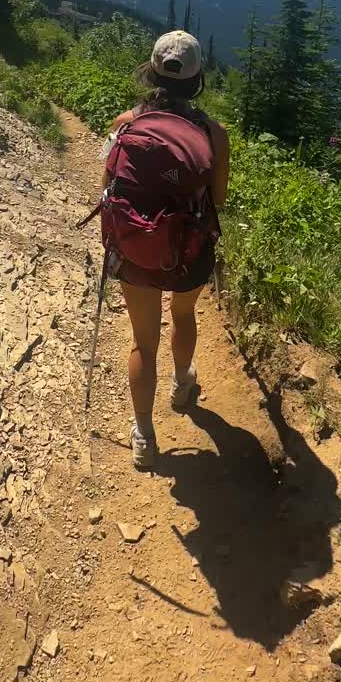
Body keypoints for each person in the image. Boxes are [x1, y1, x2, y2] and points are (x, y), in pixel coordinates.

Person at [101, 30, 230, 470]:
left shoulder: (124, 125)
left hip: (136, 248)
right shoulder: (214, 133)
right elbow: (220, 198)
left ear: (152, 70)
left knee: (142, 340)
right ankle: (181, 385)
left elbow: (107, 191)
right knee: (183, 314)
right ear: (198, 79)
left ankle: (143, 435)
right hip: (188, 251)